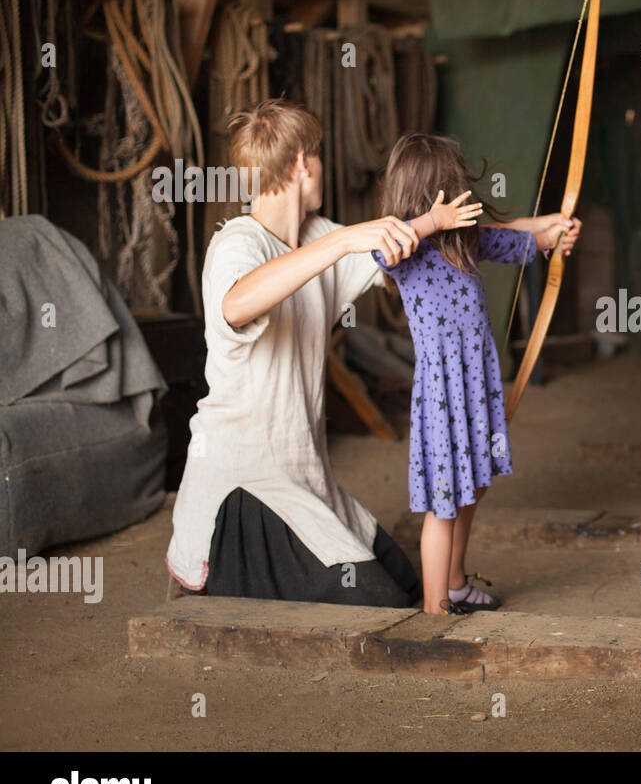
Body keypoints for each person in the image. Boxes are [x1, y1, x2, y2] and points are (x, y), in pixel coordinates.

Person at [165, 100, 479, 606]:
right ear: (300, 164)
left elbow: (387, 256)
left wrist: (447, 225)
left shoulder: (318, 234)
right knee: (384, 610)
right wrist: (345, 243)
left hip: (307, 479)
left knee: (411, 585)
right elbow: (237, 303)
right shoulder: (238, 243)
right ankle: (211, 573)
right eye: (318, 154)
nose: (321, 166)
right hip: (244, 488)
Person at [374, 133, 580, 615]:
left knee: (473, 485)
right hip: (443, 391)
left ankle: (456, 582)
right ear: (431, 196)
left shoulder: (464, 240)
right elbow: (384, 250)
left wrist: (553, 231)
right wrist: (430, 222)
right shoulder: (402, 248)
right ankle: (434, 609)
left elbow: (514, 239)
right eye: (453, 188)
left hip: (475, 385)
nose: (463, 196)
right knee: (443, 502)